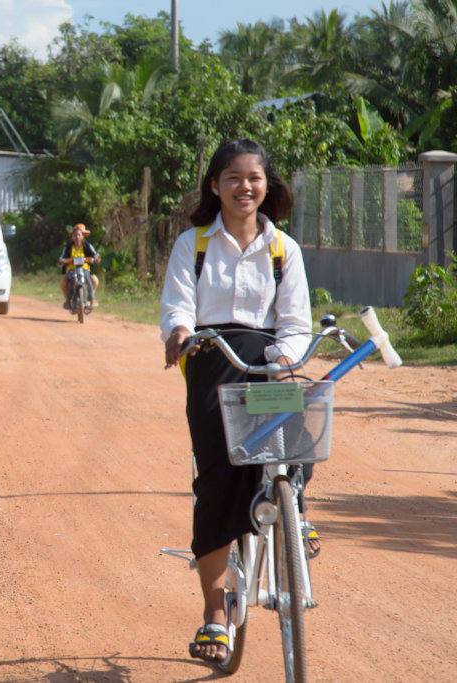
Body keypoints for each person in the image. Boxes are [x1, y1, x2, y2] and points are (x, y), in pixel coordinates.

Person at [159, 138, 314, 665]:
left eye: (254, 178)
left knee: (297, 445)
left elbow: (295, 322)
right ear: (215, 185)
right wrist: (181, 333)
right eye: (233, 178)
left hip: (269, 360)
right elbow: (178, 306)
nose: (244, 187)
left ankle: (293, 511)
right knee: (218, 478)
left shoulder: (283, 249)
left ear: (267, 185)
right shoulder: (194, 244)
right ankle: (214, 614)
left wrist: (284, 356)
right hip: (212, 359)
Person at [59, 223, 100, 309]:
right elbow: (62, 258)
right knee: (68, 281)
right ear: (72, 237)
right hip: (71, 269)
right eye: (75, 235)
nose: (78, 237)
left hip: (85, 268)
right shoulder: (68, 247)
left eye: (80, 235)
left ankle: (92, 299)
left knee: (90, 279)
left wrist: (96, 258)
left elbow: (95, 254)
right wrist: (64, 260)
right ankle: (68, 300)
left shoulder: (87, 246)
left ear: (83, 236)